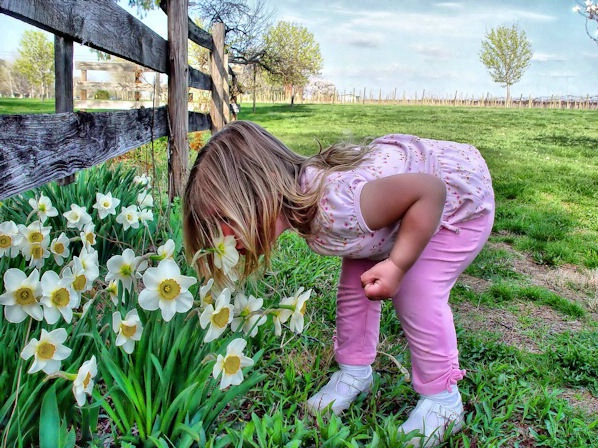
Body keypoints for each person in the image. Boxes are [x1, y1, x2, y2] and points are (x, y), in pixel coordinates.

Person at [183, 120, 495, 446]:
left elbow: (429, 191)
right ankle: (355, 373)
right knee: (354, 284)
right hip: (405, 209)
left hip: (456, 203)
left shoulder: (339, 202)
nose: (221, 237)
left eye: (222, 219)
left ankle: (443, 401)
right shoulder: (326, 213)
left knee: (416, 290)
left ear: (259, 189)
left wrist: (398, 264)